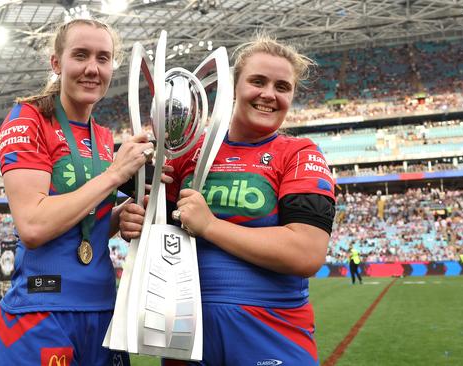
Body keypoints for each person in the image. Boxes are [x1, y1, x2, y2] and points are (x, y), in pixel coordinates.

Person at [119, 34, 336, 365]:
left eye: (283, 87)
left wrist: (210, 226)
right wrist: (136, 220)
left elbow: (306, 253)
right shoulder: (185, 152)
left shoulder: (298, 153)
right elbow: (161, 228)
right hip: (185, 333)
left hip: (271, 331)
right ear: (233, 87)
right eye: (258, 81)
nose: (269, 94)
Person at [0, 18, 155, 365]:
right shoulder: (28, 119)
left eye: (103, 58)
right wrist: (114, 175)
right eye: (80, 55)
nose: (92, 68)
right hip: (43, 309)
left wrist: (122, 216)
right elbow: (33, 226)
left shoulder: (104, 137)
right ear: (56, 63)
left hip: (104, 308)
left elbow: (85, 222)